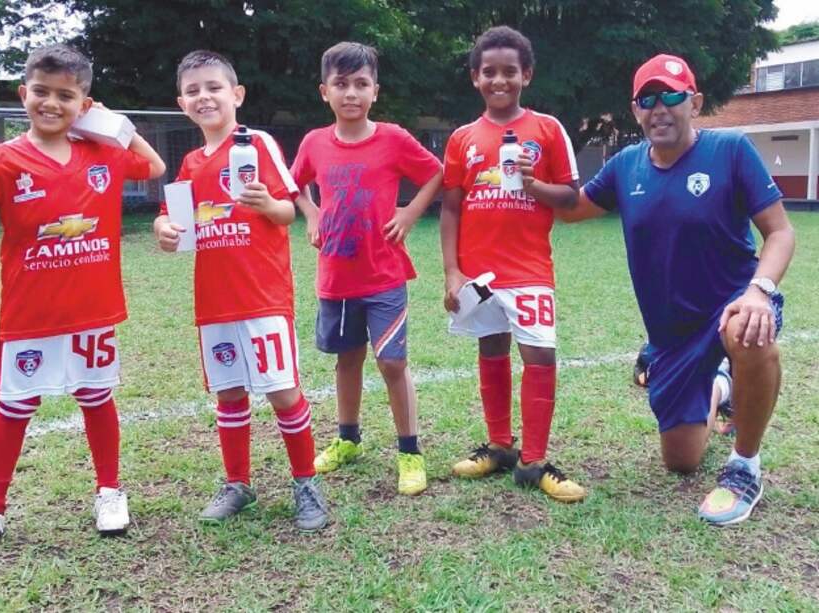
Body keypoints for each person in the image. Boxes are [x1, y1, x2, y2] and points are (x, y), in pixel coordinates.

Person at [0, 44, 166, 561]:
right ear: (24, 94)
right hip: (30, 316)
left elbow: (153, 166)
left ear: (83, 103)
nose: (51, 103)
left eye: (66, 96)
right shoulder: (3, 159)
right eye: (41, 92)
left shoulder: (102, 152)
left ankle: (109, 490)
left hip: (93, 311)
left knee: (97, 399)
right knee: (14, 408)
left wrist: (112, 124)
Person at [561, 53, 795, 525]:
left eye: (671, 95)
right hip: (671, 338)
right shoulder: (626, 166)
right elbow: (570, 209)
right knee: (681, 460)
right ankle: (722, 385)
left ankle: (744, 465)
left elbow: (781, 232)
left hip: (733, 305)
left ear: (696, 102)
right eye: (648, 99)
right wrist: (517, 181)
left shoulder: (730, 150)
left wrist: (759, 291)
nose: (660, 108)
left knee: (748, 331)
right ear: (635, 110)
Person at [153, 50, 328, 530]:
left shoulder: (256, 144)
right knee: (229, 394)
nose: (204, 97)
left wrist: (267, 203)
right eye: (193, 91)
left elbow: (287, 212)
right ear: (181, 103)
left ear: (237, 94)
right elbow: (174, 221)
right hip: (215, 301)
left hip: (262, 296)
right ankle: (237, 485)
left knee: (283, 393)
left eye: (214, 87)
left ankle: (305, 483)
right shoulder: (190, 162)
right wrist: (164, 228)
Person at [440, 26, 586, 502]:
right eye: (489, 72)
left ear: (527, 74)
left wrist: (533, 185)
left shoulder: (547, 129)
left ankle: (534, 461)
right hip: (479, 273)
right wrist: (452, 272)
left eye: (509, 71)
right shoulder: (462, 138)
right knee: (491, 348)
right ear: (475, 77)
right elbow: (451, 208)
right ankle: (500, 446)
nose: (499, 80)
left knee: (540, 355)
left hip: (529, 269)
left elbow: (570, 197)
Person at [290, 42, 442, 496]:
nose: (351, 93)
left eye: (361, 84)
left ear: (375, 90)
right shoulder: (314, 142)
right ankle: (348, 439)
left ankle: (410, 451)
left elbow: (436, 173)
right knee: (348, 359)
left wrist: (410, 213)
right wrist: (312, 213)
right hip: (336, 278)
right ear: (325, 91)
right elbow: (292, 184)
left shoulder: (393, 138)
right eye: (341, 84)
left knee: (392, 362)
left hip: (384, 276)